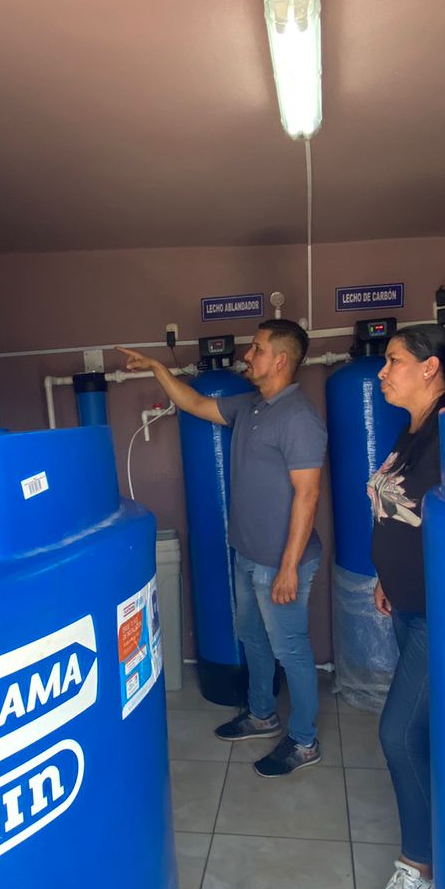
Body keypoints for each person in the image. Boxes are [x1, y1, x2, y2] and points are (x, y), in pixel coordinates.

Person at [118, 320, 327, 775]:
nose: (247, 356)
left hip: (280, 562)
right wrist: (157, 368)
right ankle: (262, 713)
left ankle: (305, 741)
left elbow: (308, 495)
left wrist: (289, 567)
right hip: (248, 554)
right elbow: (193, 402)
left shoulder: (299, 418)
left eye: (257, 348)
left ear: (280, 360)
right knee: (252, 637)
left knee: (290, 649)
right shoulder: (250, 406)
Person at [367, 324, 445, 889]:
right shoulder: (412, 430)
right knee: (427, 733)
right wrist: (390, 575)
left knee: (400, 734)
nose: (383, 373)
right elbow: (405, 513)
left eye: (393, 361)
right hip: (407, 603)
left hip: (441, 613)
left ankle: (420, 870)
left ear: (430, 367)